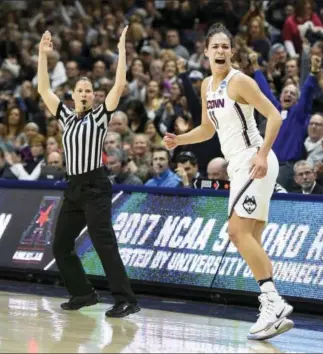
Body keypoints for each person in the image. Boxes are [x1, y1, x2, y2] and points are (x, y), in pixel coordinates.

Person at [163, 23, 293, 341]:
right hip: (237, 165)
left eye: (226, 46)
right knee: (251, 239)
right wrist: (180, 139)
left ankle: (273, 302)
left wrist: (262, 155)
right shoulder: (208, 86)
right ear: (206, 51)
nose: (220, 51)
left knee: (236, 232)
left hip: (253, 160)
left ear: (232, 52)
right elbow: (208, 130)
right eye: (215, 46)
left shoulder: (240, 81)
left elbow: (275, 115)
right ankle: (269, 308)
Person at [37, 28, 139, 318]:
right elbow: (44, 90)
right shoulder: (66, 117)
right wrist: (43, 55)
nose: (84, 93)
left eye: (88, 90)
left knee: (103, 244)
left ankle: (126, 299)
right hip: (73, 187)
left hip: (95, 185)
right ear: (72, 95)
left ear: (94, 96)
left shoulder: (100, 115)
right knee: (60, 245)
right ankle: (83, 293)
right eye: (79, 90)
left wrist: (121, 51)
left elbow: (119, 85)